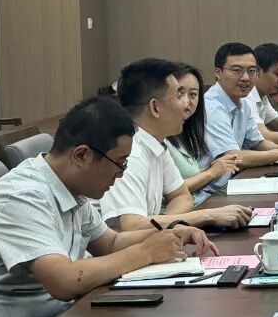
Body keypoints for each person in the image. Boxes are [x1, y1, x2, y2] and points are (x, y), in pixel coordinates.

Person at [0, 97, 217, 317]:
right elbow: (66, 281)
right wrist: (146, 252)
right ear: (82, 155)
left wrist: (170, 232)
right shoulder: (23, 196)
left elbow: (110, 243)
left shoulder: (67, 186)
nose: (121, 174)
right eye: (119, 163)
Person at [99, 58, 253, 231]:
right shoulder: (131, 154)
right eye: (179, 95)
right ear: (155, 107)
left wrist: (166, 224)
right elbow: (132, 226)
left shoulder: (156, 143)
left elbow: (182, 197)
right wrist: (207, 216)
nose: (187, 104)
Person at [197, 42, 278, 204]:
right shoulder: (212, 107)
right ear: (218, 73)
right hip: (207, 193)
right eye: (237, 70)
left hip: (231, 183)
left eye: (251, 71)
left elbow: (258, 143)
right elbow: (235, 157)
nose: (246, 77)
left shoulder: (242, 102)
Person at [166, 62, 241, 197]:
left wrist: (212, 169)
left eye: (193, 94)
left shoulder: (188, 130)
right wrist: (212, 172)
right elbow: (169, 191)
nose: (187, 101)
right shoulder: (159, 138)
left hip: (200, 200)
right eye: (180, 93)